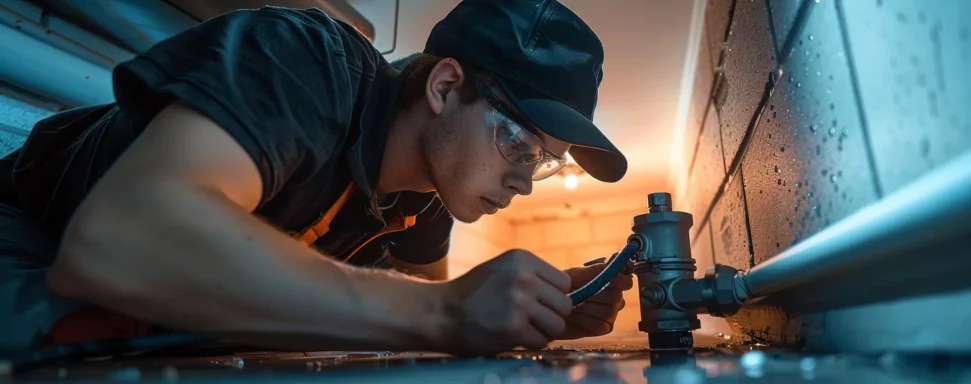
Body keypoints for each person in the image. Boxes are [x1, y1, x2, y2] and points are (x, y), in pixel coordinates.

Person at [0, 0, 632, 356]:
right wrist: (444, 310)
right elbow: (118, 243)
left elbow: (401, 325)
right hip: (32, 241)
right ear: (444, 85)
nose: (524, 182)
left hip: (156, 301)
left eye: (546, 162)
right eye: (520, 144)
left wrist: (534, 311)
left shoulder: (435, 196)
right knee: (88, 341)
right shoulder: (300, 64)